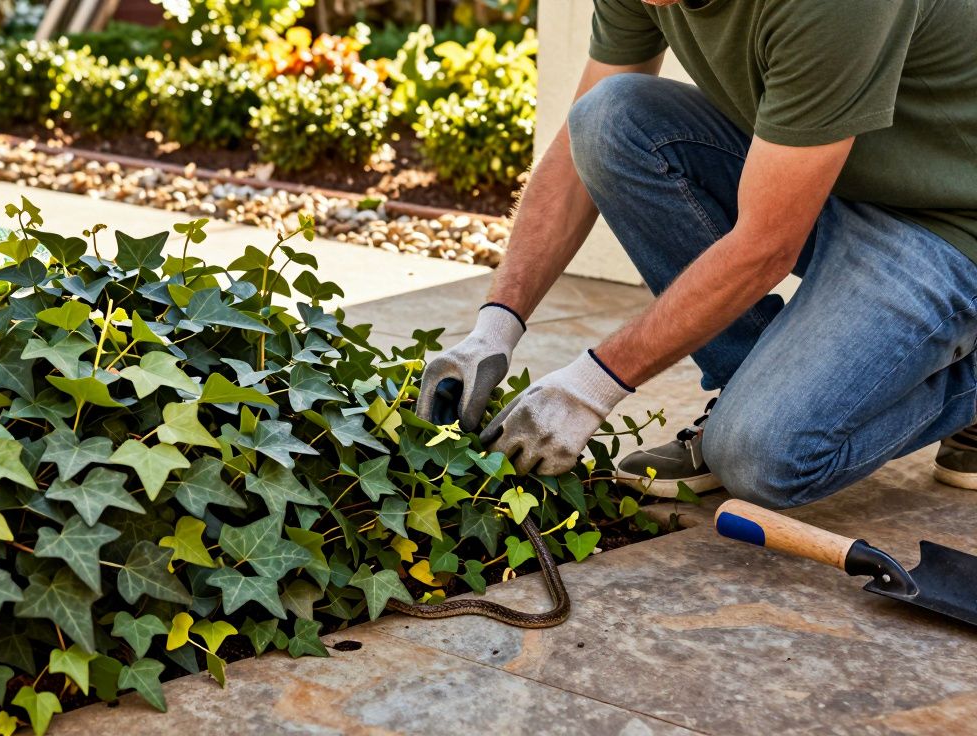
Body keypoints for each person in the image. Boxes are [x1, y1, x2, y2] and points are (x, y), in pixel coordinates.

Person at [416, 0, 977, 509]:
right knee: (607, 118)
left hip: (948, 218)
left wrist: (590, 387)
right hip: (824, 175)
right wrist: (495, 328)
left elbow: (766, 246)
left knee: (762, 460)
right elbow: (572, 157)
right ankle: (752, 388)